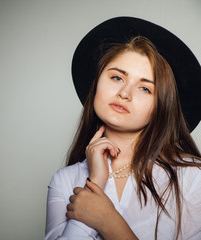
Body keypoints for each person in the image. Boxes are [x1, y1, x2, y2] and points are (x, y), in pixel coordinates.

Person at [44, 17, 201, 240]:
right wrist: (95, 182)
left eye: (145, 88)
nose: (125, 93)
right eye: (117, 77)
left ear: (162, 106)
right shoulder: (65, 180)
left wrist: (109, 221)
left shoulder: (193, 177)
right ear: (96, 82)